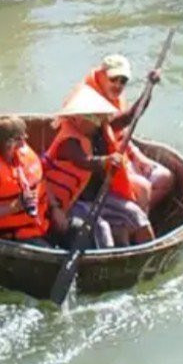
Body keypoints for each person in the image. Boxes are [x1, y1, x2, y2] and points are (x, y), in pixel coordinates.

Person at [41, 88, 148, 248]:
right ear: (76, 118)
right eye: (92, 116)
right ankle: (106, 260)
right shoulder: (68, 141)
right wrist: (107, 160)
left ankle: (149, 252)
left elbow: (130, 116)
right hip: (72, 202)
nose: (97, 121)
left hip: (97, 196)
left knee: (135, 214)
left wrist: (147, 91)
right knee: (101, 228)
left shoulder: (100, 128)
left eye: (98, 116)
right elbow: (84, 161)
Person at [83, 55, 174, 212]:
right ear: (101, 76)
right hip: (99, 169)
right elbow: (127, 118)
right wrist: (148, 89)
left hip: (120, 156)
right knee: (143, 187)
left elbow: (120, 133)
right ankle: (135, 218)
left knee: (164, 177)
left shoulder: (115, 98)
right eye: (113, 79)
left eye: (123, 81)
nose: (118, 85)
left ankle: (136, 213)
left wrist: (137, 155)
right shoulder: (90, 102)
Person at [0, 115, 63, 244]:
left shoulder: (22, 152)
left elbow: (41, 180)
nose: (23, 143)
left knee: (77, 229)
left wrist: (55, 208)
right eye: (20, 139)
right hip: (11, 234)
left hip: (41, 222)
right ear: (8, 143)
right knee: (46, 251)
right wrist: (16, 207)